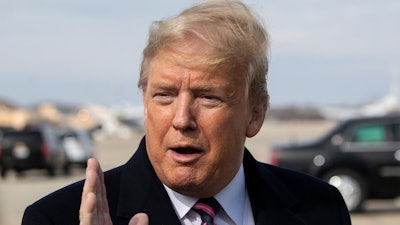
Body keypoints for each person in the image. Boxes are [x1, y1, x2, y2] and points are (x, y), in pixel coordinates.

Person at [22, 1, 352, 225]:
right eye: (164, 96)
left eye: (208, 98)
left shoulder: (321, 208)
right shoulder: (57, 218)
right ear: (144, 100)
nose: (182, 119)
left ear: (255, 114)